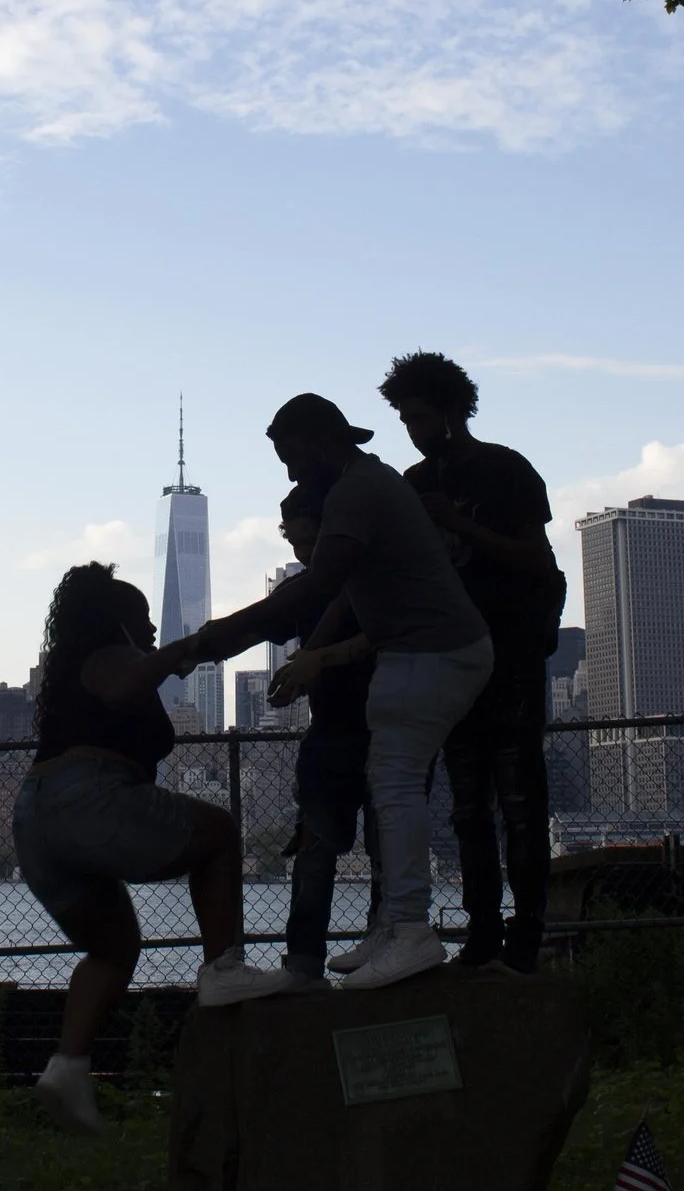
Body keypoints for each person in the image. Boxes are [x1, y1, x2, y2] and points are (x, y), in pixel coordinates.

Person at [198, 393, 491, 991]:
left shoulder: (357, 492)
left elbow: (321, 586)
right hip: (426, 654)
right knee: (391, 784)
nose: (289, 471)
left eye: (290, 456)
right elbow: (341, 599)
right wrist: (313, 654)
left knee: (396, 784)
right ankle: (393, 927)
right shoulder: (367, 488)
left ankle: (408, 929)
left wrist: (207, 642)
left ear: (318, 444)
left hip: (435, 654)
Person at [15, 563, 288, 1134]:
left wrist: (172, 658)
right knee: (218, 833)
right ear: (120, 622)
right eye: (143, 616)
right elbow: (123, 684)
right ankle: (224, 970)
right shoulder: (110, 656)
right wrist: (183, 648)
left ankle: (67, 1068)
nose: (151, 627)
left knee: (114, 949)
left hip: (37, 819)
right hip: (86, 799)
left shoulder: (75, 669)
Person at [380, 351, 568, 973]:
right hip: (451, 661)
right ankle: (483, 931)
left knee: (518, 800)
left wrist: (461, 525)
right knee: (468, 804)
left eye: (420, 417)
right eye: (405, 420)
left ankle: (528, 931)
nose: (413, 429)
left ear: (454, 412)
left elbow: (537, 561)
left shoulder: (505, 470)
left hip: (508, 653)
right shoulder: (412, 483)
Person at [263, 479, 381, 986]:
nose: (298, 549)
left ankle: (370, 948)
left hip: (380, 728)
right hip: (335, 727)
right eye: (290, 538)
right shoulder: (307, 586)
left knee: (381, 844)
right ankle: (308, 960)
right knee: (320, 845)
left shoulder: (370, 579)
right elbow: (262, 623)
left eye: (306, 540)